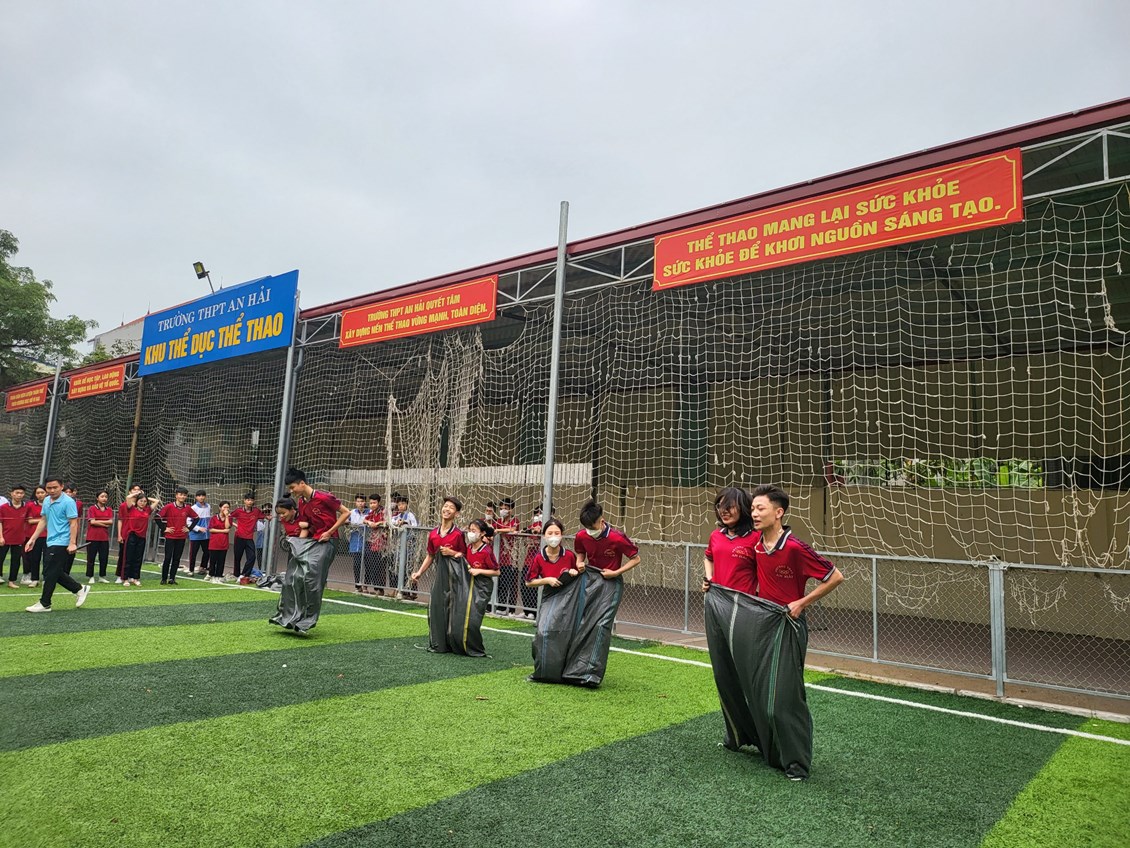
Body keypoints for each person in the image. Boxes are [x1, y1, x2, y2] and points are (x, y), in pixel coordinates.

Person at [703, 484, 844, 782]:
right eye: (753, 508)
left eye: (760, 508)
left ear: (778, 512)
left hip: (788, 627)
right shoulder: (756, 546)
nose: (754, 513)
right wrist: (710, 581)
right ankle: (752, 741)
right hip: (761, 624)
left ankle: (797, 764)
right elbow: (733, 567)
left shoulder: (794, 547)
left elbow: (835, 577)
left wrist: (801, 602)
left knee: (784, 699)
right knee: (755, 689)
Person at [269, 468, 349, 634]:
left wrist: (329, 532)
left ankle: (308, 620)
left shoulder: (324, 497)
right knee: (292, 577)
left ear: (302, 483)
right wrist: (299, 546)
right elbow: (305, 527)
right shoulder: (301, 502)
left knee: (311, 580)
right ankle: (287, 616)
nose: (291, 491)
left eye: (293, 487)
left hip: (328, 541)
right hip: (312, 542)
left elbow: (346, 512)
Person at [525, 517, 586, 683]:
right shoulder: (539, 557)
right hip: (550, 596)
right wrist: (547, 580)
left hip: (569, 597)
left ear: (562, 535)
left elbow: (580, 573)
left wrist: (576, 571)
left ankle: (566, 671)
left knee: (566, 633)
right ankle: (543, 670)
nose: (553, 536)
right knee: (543, 631)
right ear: (544, 535)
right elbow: (529, 582)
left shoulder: (569, 556)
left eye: (557, 533)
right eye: (550, 533)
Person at [409, 496, 470, 653]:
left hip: (455, 579)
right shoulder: (433, 534)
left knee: (454, 609)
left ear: (456, 514)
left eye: (451, 507)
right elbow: (430, 556)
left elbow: (464, 556)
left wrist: (452, 552)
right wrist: (419, 572)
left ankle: (454, 643)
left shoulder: (458, 534)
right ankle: (439, 643)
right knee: (436, 607)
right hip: (440, 578)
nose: (447, 509)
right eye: (445, 506)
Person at [24, 477, 89, 612]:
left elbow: (73, 523)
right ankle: (79, 589)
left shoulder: (68, 502)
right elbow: (43, 520)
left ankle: (45, 603)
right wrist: (33, 539)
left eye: (55, 487)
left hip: (62, 541)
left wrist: (72, 543)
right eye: (49, 488)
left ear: (61, 486)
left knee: (50, 572)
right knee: (51, 571)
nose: (52, 490)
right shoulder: (47, 500)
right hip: (50, 540)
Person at [157, 486, 194, 584]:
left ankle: (172, 578)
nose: (182, 496)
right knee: (168, 557)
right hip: (170, 536)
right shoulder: (169, 506)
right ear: (176, 495)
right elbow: (157, 517)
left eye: (184, 495)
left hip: (181, 537)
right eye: (181, 494)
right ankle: (164, 578)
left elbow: (196, 518)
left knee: (176, 558)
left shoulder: (187, 508)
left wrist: (189, 528)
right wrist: (165, 528)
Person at [492, 496, 520, 615]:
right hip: (498, 557)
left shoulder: (515, 520)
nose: (503, 510)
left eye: (506, 508)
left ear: (511, 510)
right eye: (501, 508)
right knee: (499, 583)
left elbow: (512, 529)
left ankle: (509, 609)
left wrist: (499, 531)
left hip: (510, 558)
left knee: (509, 584)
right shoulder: (498, 521)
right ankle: (499, 606)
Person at [389, 493, 418, 599]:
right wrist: (397, 522)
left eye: (403, 504)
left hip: (409, 545)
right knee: (399, 566)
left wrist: (406, 522)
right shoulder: (397, 516)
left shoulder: (410, 515)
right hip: (400, 546)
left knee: (409, 567)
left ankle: (411, 591)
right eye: (399, 504)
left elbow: (415, 525)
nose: (401, 506)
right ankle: (401, 589)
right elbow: (392, 521)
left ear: (407, 505)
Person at [121, 489, 152, 586]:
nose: (143, 503)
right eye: (141, 501)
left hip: (142, 537)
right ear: (137, 501)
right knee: (128, 557)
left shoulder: (147, 510)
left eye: (145, 501)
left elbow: (156, 501)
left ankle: (135, 578)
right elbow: (128, 497)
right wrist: (137, 494)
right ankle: (125, 579)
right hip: (132, 535)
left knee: (138, 558)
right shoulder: (132, 508)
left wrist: (145, 496)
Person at [231, 494, 265, 582]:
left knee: (252, 557)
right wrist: (235, 525)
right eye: (248, 500)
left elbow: (265, 516)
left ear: (253, 501)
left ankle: (244, 574)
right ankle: (236, 575)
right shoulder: (238, 511)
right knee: (237, 557)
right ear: (244, 501)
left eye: (251, 500)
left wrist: (270, 516)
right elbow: (229, 517)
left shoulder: (256, 511)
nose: (250, 502)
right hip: (239, 537)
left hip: (249, 538)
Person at [1, 484, 29, 588]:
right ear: (12, 494)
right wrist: (1, 537)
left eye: (21, 493)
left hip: (19, 539)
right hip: (4, 538)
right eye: (17, 493)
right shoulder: (3, 507)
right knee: (0, 558)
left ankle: (12, 581)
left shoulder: (26, 507)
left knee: (16, 561)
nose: (19, 495)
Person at [85, 489, 115, 584]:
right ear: (97, 498)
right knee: (91, 558)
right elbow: (92, 522)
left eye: (106, 497)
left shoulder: (109, 509)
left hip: (104, 538)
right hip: (92, 537)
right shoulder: (92, 508)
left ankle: (102, 576)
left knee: (104, 558)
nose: (104, 498)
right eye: (102, 496)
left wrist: (98, 521)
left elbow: (111, 521)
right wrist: (104, 524)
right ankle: (90, 576)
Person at [114, 483, 143, 583]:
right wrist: (119, 534)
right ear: (130, 491)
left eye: (138, 489)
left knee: (134, 556)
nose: (137, 491)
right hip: (125, 533)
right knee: (123, 555)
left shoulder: (141, 506)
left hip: (136, 534)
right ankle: (120, 575)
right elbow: (120, 520)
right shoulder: (124, 505)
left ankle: (131, 575)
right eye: (134, 489)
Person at [20, 485, 47, 587]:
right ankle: (35, 579)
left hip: (49, 535)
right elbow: (30, 521)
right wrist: (44, 520)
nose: (40, 495)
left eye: (42, 492)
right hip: (35, 535)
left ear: (46, 493)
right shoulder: (30, 505)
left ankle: (46, 578)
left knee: (47, 559)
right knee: (35, 558)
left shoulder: (51, 504)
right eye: (38, 493)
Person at [347, 494, 369, 593]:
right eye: (358, 501)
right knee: (356, 565)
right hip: (355, 543)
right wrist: (346, 522)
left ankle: (366, 585)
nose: (360, 503)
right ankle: (358, 585)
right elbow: (346, 521)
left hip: (367, 542)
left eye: (362, 501)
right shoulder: (351, 512)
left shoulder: (370, 512)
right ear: (355, 502)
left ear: (365, 502)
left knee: (368, 565)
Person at [186, 490, 211, 576]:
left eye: (203, 495)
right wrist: (198, 528)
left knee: (207, 552)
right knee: (193, 553)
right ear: (196, 497)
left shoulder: (208, 506)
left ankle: (203, 567)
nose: (201, 497)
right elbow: (188, 521)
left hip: (206, 535)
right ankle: (191, 569)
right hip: (195, 535)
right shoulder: (193, 508)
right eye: (199, 496)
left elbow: (208, 520)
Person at [207, 501, 232, 584]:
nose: (226, 509)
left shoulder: (229, 518)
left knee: (221, 561)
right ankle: (211, 575)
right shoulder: (214, 518)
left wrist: (227, 516)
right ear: (220, 508)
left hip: (224, 543)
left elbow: (227, 527)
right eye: (224, 507)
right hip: (214, 543)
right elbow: (211, 529)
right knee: (213, 560)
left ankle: (219, 575)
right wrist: (223, 531)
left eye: (227, 507)